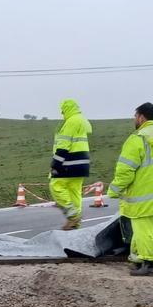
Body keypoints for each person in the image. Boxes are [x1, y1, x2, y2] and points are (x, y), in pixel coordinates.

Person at [107, 102, 153, 277]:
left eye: (135, 116)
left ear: (141, 117)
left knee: (143, 230)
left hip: (143, 197)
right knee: (146, 230)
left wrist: (114, 190)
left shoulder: (137, 139)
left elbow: (125, 171)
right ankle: (138, 260)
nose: (134, 120)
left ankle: (150, 264)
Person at [49, 98, 93, 230]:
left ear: (67, 109)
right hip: (82, 164)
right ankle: (76, 223)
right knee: (74, 192)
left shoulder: (71, 122)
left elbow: (63, 144)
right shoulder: (82, 121)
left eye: (63, 111)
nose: (62, 114)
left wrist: (55, 164)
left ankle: (72, 216)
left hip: (69, 162)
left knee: (56, 186)